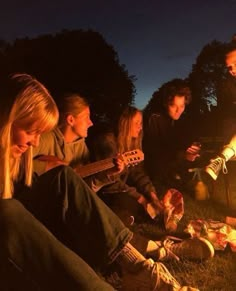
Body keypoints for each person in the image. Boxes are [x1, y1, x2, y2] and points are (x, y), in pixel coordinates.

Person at [0, 73, 202, 291]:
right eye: (31, 131)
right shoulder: (92, 141)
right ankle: (152, 252)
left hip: (42, 215)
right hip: (15, 224)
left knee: (64, 178)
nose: (35, 141)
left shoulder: (77, 148)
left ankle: (139, 267)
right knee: (9, 211)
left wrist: (111, 178)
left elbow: (79, 191)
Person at [88, 106, 214, 262]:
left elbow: (138, 173)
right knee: (131, 206)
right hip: (106, 194)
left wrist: (152, 196)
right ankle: (155, 246)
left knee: (149, 208)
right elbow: (109, 184)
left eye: (141, 123)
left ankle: (170, 232)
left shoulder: (132, 144)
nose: (141, 127)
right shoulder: (107, 142)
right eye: (137, 123)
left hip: (121, 191)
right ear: (125, 123)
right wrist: (140, 198)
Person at [143, 79, 201, 193]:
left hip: (173, 167)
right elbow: (154, 153)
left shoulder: (180, 119)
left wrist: (191, 150)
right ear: (165, 103)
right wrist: (181, 155)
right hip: (154, 171)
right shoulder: (154, 118)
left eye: (182, 106)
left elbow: (184, 141)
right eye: (174, 106)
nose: (179, 110)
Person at [205, 40, 236, 180]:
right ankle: (222, 157)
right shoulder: (229, 86)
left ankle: (222, 157)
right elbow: (227, 116)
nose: (233, 70)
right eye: (229, 67)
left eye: (235, 64)